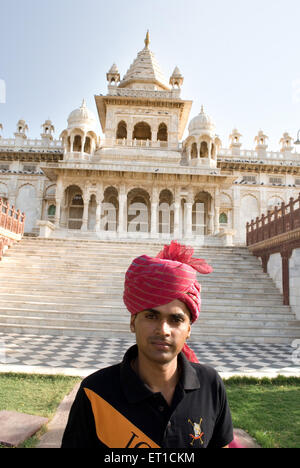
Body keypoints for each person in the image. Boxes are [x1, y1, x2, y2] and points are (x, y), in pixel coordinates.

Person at [61, 241, 234, 448]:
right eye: (151, 316)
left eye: (176, 319)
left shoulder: (209, 385)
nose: (163, 330)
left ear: (189, 329)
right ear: (133, 322)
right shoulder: (96, 392)